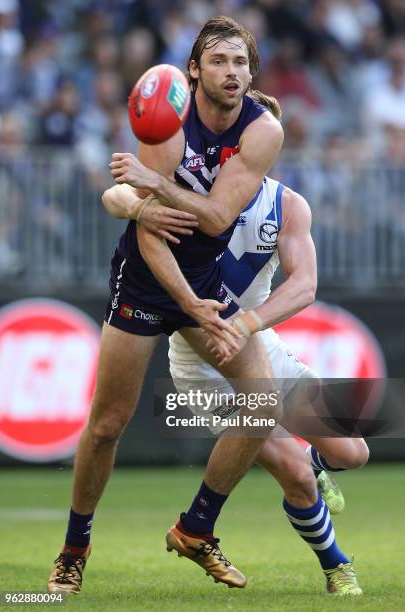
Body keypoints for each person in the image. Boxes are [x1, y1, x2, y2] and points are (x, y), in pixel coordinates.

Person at [47, 15, 284, 595]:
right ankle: (73, 550)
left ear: (251, 73)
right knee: (107, 425)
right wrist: (188, 300)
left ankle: (196, 529)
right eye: (219, 61)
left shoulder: (263, 130)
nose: (232, 72)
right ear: (194, 71)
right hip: (148, 282)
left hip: (205, 281)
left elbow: (215, 217)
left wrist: (148, 194)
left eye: (241, 63)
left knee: (263, 403)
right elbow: (151, 235)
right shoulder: (166, 120)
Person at [105, 166, 366, 595]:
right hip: (202, 367)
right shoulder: (192, 188)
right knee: (294, 472)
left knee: (353, 452)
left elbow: (304, 286)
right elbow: (113, 196)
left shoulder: (287, 205)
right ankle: (337, 567)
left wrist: (246, 325)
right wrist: (137, 208)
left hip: (259, 347)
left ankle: (318, 470)